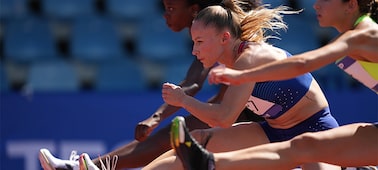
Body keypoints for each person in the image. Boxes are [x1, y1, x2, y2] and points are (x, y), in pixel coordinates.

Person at [38, 0, 265, 169]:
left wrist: (159, 116)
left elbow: (195, 84)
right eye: (164, 8)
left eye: (171, 9)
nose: (165, 16)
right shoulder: (210, 32)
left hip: (256, 117)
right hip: (247, 113)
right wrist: (159, 116)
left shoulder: (218, 35)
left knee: (175, 139)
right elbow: (195, 85)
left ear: (194, 10)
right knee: (177, 142)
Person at [165, 0, 378, 169]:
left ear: (351, 4)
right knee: (302, 146)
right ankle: (208, 163)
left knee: (304, 146)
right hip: (278, 131)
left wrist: (241, 76)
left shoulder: (364, 36)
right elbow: (294, 66)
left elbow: (302, 64)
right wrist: (243, 76)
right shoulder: (350, 40)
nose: (316, 4)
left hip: (314, 124)